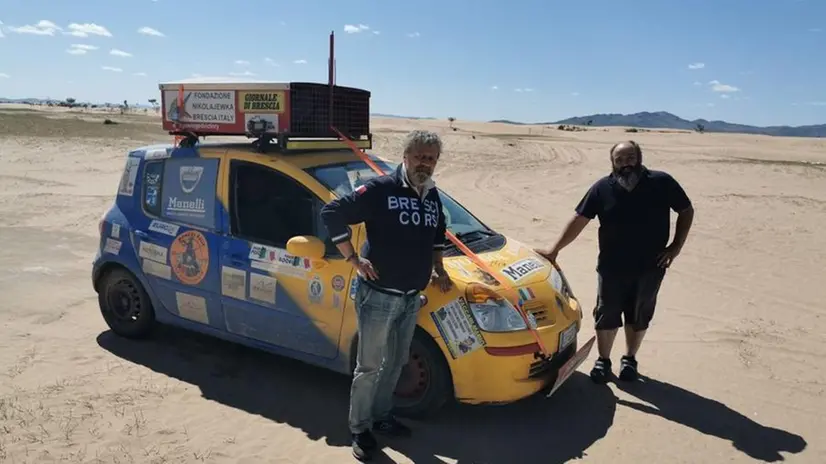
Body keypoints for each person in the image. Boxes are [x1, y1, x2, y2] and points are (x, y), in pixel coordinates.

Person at [320, 129, 453, 462]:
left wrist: (439, 268)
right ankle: (360, 428)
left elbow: (436, 235)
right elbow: (332, 213)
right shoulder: (381, 189)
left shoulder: (432, 196)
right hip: (378, 295)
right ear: (405, 156)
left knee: (395, 363)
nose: (426, 163)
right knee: (369, 366)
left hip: (411, 297)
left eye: (432, 158)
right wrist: (353, 258)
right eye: (420, 156)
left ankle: (381, 415)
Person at [535, 140, 694, 384]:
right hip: (611, 266)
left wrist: (676, 246)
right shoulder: (602, 188)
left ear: (639, 158)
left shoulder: (661, 182)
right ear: (612, 163)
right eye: (619, 160)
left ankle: (629, 359)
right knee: (606, 313)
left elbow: (686, 210)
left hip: (651, 266)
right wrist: (554, 250)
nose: (625, 164)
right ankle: (603, 360)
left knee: (639, 314)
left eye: (629, 158)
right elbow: (579, 219)